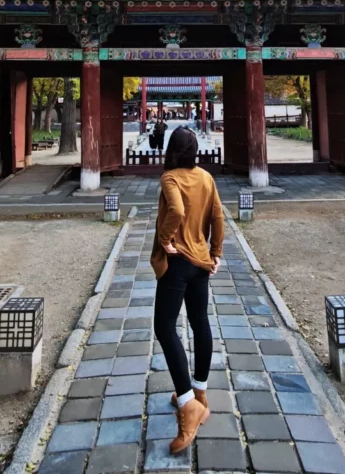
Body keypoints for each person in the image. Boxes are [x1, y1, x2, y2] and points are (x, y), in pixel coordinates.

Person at [151, 127, 224, 454]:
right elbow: (218, 216)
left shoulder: (170, 178)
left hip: (178, 260)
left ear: (172, 151)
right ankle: (200, 391)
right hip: (201, 260)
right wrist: (217, 252)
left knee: (165, 328)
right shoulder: (206, 178)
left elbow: (177, 211)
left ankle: (187, 403)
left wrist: (166, 240)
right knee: (200, 323)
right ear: (195, 150)